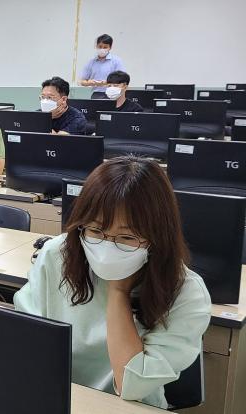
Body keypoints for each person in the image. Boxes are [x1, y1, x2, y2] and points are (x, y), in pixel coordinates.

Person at [14, 156, 211, 409]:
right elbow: (25, 341)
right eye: (96, 231)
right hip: (57, 399)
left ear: (158, 237)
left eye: (127, 237)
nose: (107, 249)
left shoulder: (187, 293)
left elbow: (132, 386)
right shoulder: (58, 254)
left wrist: (119, 291)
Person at [80, 34, 126, 99]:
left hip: (113, 94)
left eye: (105, 47)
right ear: (96, 46)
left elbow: (123, 79)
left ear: (110, 47)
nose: (102, 49)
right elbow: (82, 81)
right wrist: (90, 83)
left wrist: (107, 82)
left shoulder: (116, 61)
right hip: (96, 94)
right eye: (100, 46)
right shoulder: (91, 62)